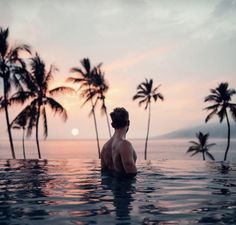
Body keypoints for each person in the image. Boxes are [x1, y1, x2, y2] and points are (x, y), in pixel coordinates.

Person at [101, 107, 137, 175]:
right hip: (125, 185)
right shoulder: (125, 144)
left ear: (112, 125)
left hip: (111, 185)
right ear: (128, 123)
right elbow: (131, 174)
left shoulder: (104, 147)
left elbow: (103, 173)